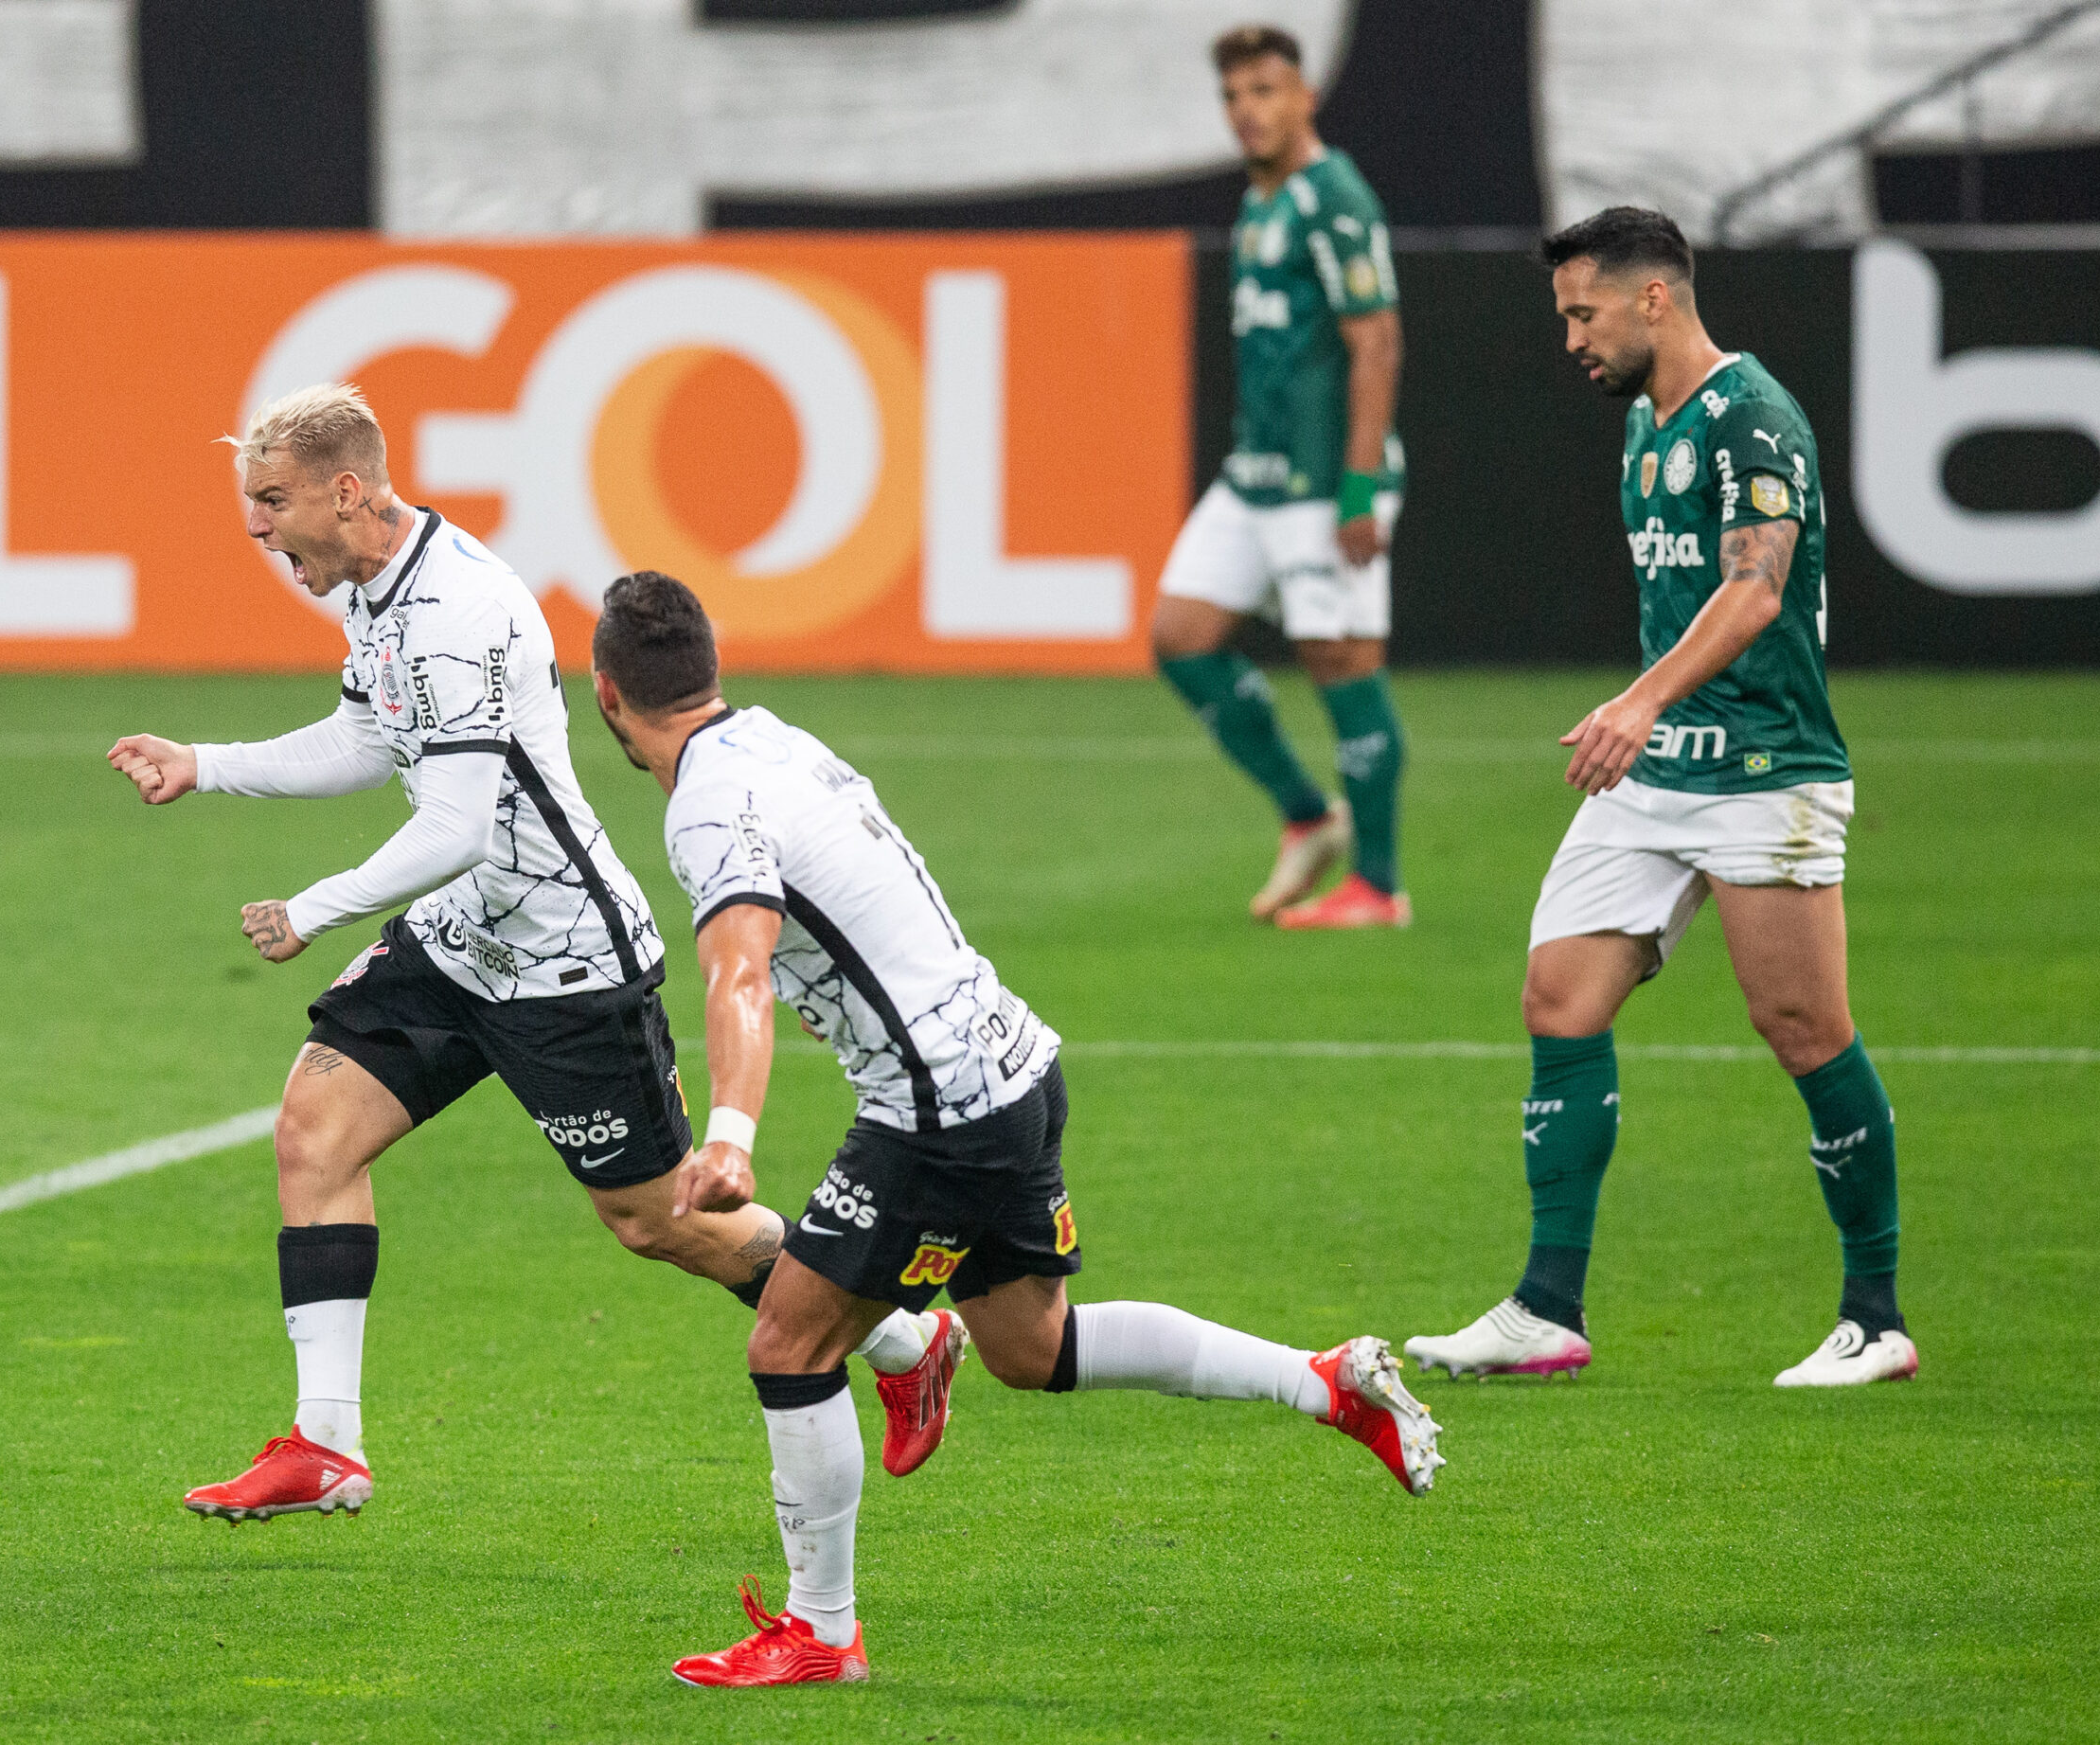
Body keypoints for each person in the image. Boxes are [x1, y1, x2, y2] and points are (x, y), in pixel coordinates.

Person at [586, 571, 1445, 1688]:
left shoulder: (707, 804)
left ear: (605, 694)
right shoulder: (771, 740)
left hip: (937, 1111)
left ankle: (821, 1631)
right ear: (712, 667)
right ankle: (1322, 1380)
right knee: (1034, 1351)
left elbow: (739, 967)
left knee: (788, 1344)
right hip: (1014, 1064)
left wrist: (734, 1129)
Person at [105, 383, 807, 1524]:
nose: (255, 525)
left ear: (348, 489)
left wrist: (313, 906)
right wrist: (206, 760)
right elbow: (365, 738)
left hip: (564, 955)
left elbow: (458, 825)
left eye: (272, 500)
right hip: (465, 937)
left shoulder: (458, 607)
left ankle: (902, 1334)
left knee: (656, 1220)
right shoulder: (376, 594)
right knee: (314, 1127)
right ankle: (325, 1445)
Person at [1404, 209, 1916, 1389]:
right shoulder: (1645, 421)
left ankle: (1875, 1314)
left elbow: (1754, 591)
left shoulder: (1753, 417)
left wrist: (1635, 701)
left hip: (1762, 765)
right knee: (1558, 999)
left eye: (1583, 313)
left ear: (1652, 300)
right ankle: (1546, 1307)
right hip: (1655, 771)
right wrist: (1645, 720)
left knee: (1801, 1028)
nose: (1570, 338)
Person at [1151, 23, 1411, 931]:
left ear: (1305, 95)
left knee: (1339, 658)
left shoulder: (1334, 195)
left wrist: (1357, 484)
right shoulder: (1261, 202)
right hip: (1253, 473)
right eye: (1233, 96)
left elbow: (1375, 339)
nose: (1246, 111)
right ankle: (1308, 814)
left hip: (1322, 480)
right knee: (1181, 635)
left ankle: (1378, 886)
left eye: (1264, 90)